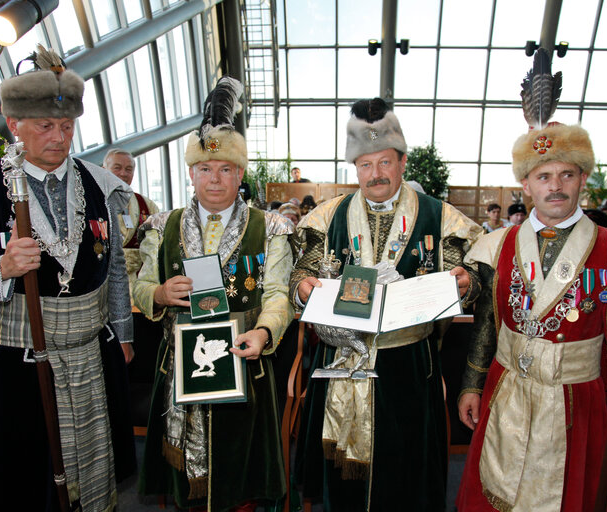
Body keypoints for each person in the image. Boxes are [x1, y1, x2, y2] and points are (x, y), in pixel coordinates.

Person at [0, 45, 136, 510]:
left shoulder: (104, 185)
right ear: (14, 124)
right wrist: (0, 267)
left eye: (66, 126)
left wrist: (123, 334)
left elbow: (115, 268)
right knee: (22, 485)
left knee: (95, 481)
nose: (59, 138)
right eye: (45, 126)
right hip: (16, 365)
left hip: (91, 356)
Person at [290, 97, 482, 511]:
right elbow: (298, 276)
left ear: (402, 162)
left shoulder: (440, 217)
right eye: (365, 165)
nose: (375, 174)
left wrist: (465, 284)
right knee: (343, 490)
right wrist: (303, 288)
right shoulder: (326, 217)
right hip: (342, 360)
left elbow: (470, 281)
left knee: (405, 479)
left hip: (409, 367)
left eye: (385, 163)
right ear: (354, 168)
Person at [456, 123, 607, 511]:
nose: (556, 186)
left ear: (583, 178)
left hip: (576, 401)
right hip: (506, 390)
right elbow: (486, 324)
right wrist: (471, 385)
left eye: (567, 174)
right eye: (543, 176)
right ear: (525, 184)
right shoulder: (493, 245)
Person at [134, 77, 293, 511]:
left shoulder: (270, 227)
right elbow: (141, 285)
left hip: (246, 368)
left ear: (240, 173)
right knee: (184, 485)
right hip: (178, 371)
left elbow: (279, 293)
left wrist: (264, 332)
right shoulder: (162, 226)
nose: (215, 179)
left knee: (240, 484)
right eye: (205, 169)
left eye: (225, 169)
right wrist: (161, 293)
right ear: (191, 173)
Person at [103, 148, 160, 364]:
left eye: (128, 169)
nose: (123, 173)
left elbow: (156, 248)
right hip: (105, 297)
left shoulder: (147, 205)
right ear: (104, 169)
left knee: (143, 358)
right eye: (117, 167)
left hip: (139, 296)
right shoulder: (91, 203)